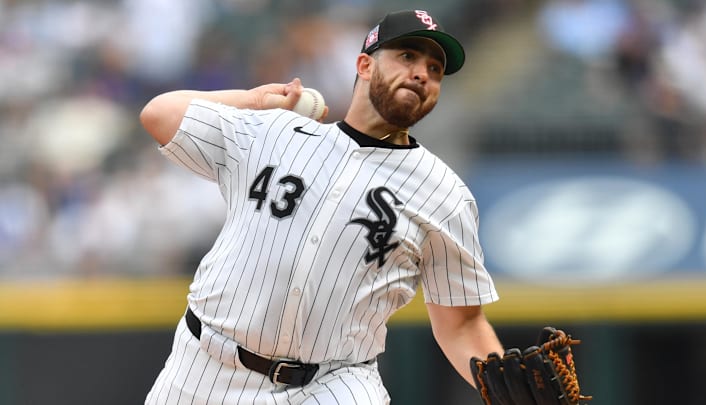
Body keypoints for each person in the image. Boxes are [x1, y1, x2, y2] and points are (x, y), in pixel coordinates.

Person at [140, 9, 503, 404]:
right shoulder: (275, 132)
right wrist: (252, 100)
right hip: (204, 367)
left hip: (332, 384)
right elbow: (160, 114)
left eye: (435, 69)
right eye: (407, 57)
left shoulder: (444, 195)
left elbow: (462, 325)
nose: (422, 74)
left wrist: (504, 390)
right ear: (364, 64)